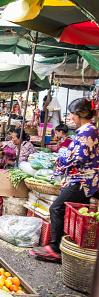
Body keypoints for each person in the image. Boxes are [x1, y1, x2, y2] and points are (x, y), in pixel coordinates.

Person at [32, 98, 99, 262]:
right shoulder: (88, 130)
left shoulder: (87, 131)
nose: (70, 117)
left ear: (81, 114)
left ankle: (56, 250)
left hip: (83, 181)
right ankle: (64, 247)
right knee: (66, 210)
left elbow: (79, 157)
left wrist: (61, 158)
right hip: (83, 180)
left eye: (72, 114)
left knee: (56, 208)